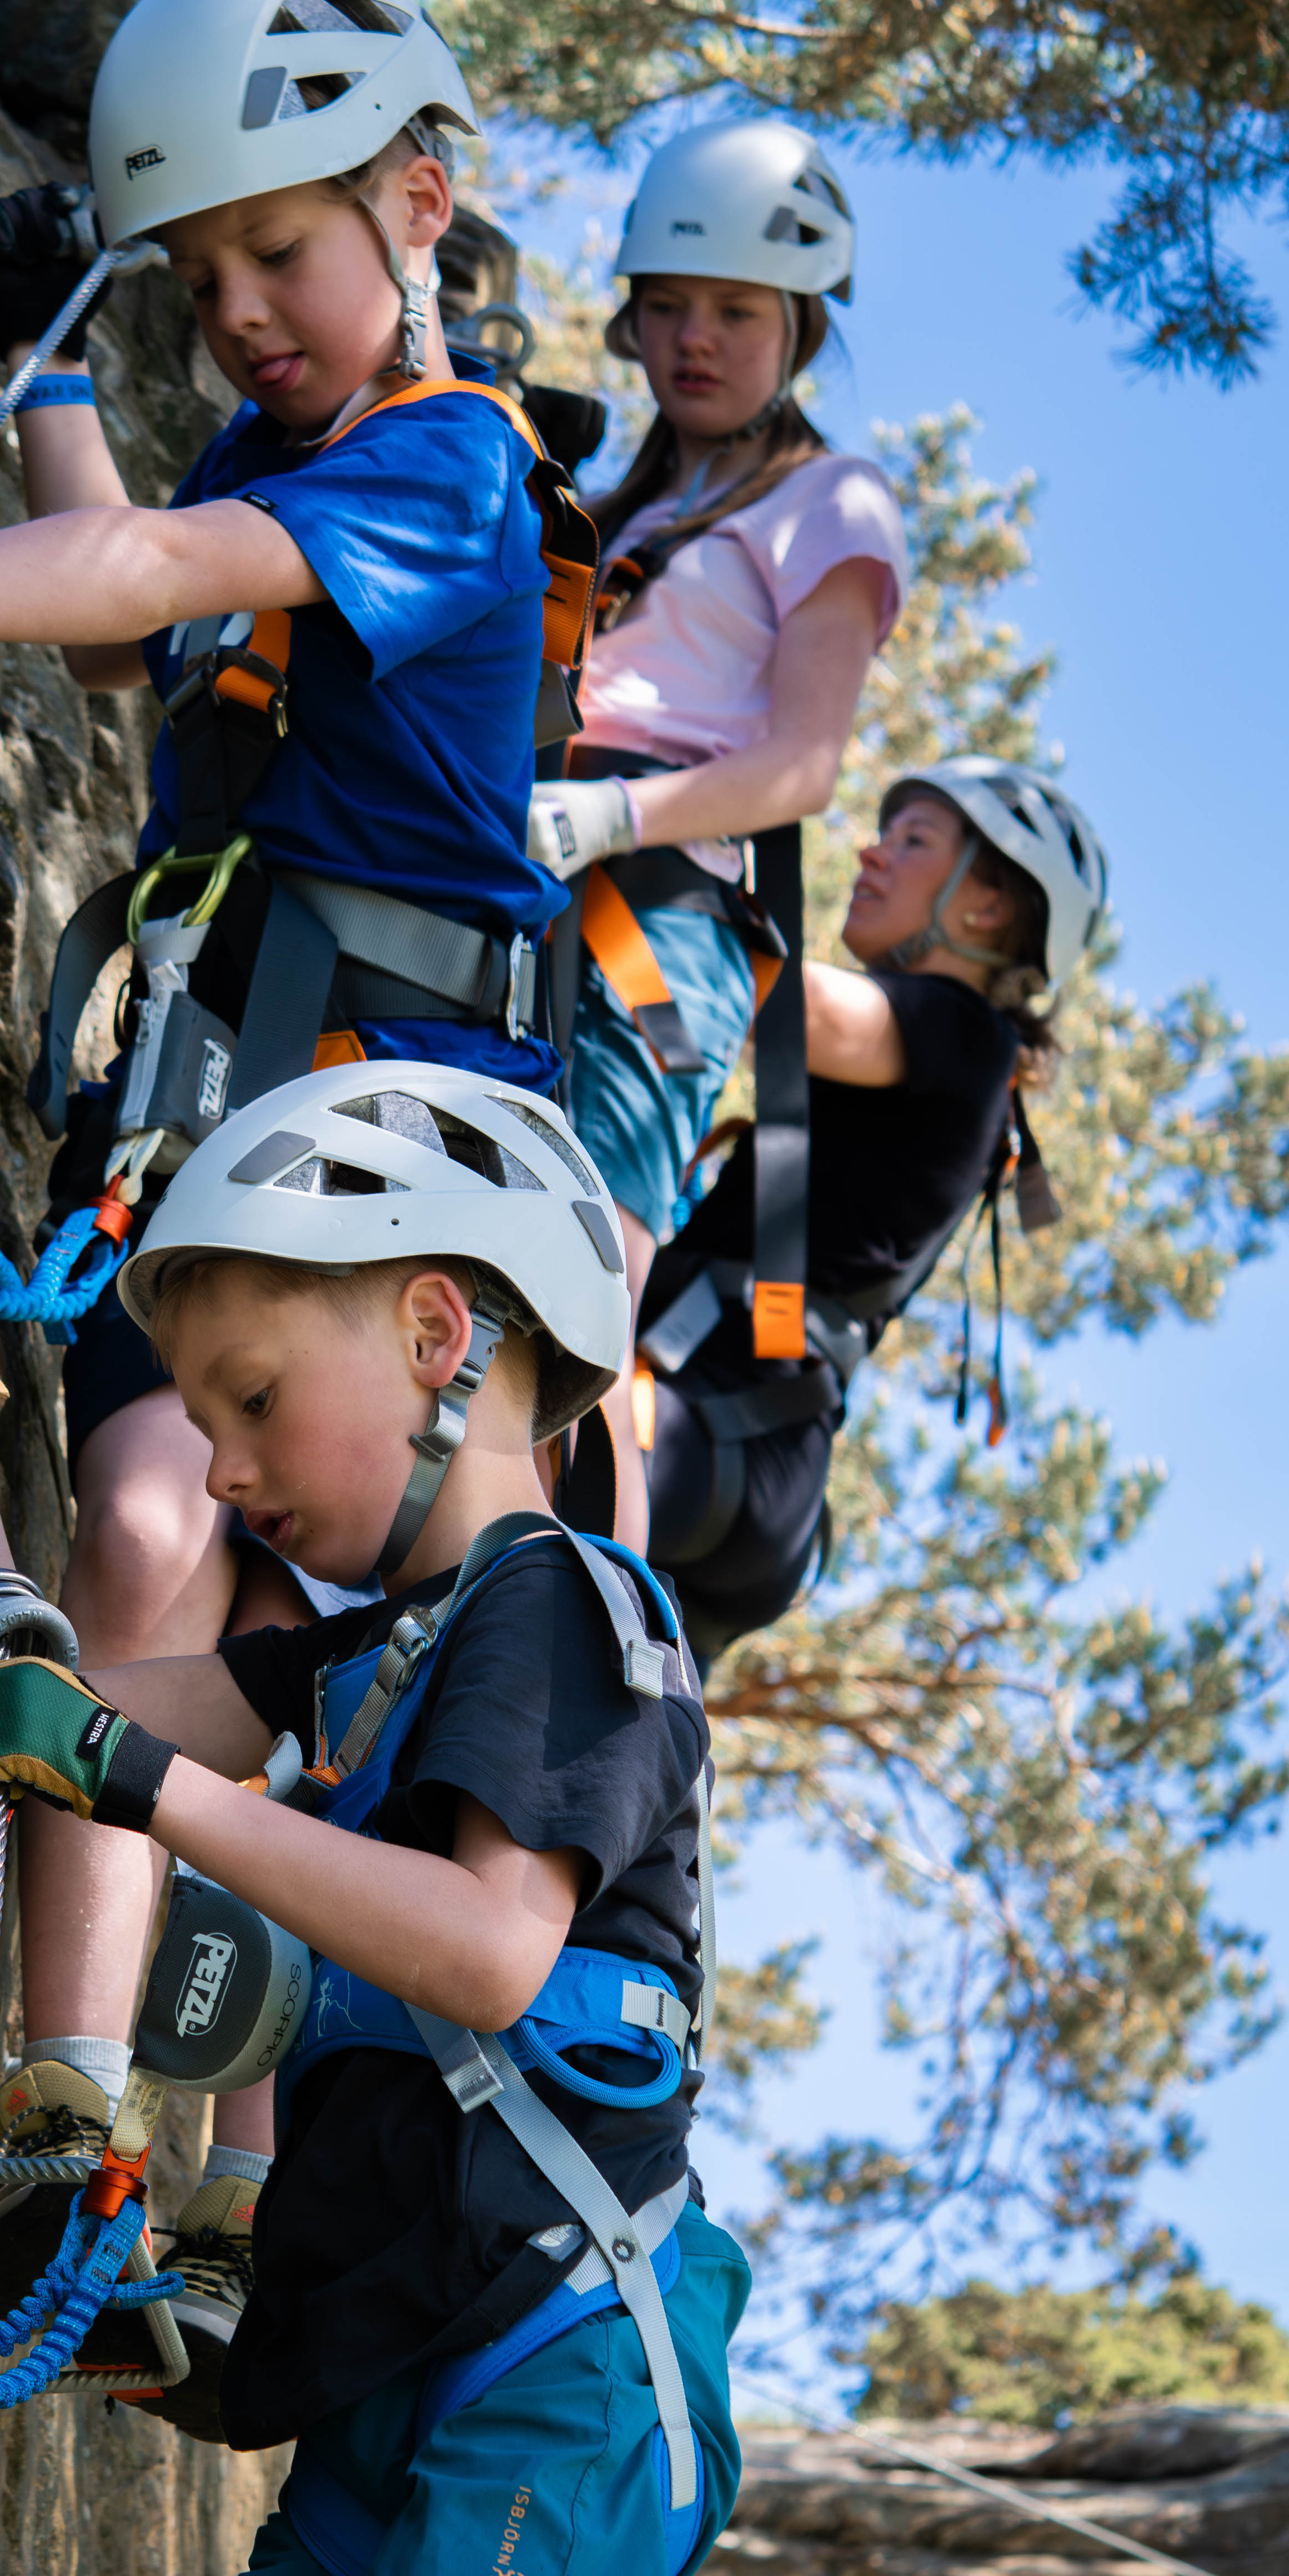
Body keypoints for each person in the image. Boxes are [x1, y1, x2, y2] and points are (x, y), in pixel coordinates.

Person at [0, 0, 598, 2410]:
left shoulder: (450, 462)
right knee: (154, 1549)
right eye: (197, 281)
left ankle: (152, 2141)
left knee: (202, 1543)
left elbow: (156, 587)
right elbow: (140, 637)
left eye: (278, 255)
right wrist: (59, 385)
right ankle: (76, 2115)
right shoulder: (277, 481)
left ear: (415, 204)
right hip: (201, 1157)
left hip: (372, 1200)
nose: (244, 312)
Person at [0, 1062, 749, 2576]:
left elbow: (483, 1948)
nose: (217, 1469)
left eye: (249, 1397)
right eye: (202, 1416)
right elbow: (34, 1696)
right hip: (398, 2360)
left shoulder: (567, 1609)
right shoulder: (373, 1651)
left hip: (559, 2366)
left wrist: (146, 1785)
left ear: (437, 1331)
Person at [526, 117, 909, 1550]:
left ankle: (589, 1651)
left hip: (655, 914)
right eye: (669, 305)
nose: (694, 339)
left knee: (586, 1289)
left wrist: (611, 811)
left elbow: (803, 762)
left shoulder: (832, 501)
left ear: (799, 328)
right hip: (525, 876)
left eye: (736, 311)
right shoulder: (631, 501)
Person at [624, 756, 1107, 1660]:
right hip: (749, 1459)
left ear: (987, 907)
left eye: (912, 841)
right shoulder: (951, 1067)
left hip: (720, 1424)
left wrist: (634, 840)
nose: (871, 853)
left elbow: (771, 1001)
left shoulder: (963, 1032)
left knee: (481, 1460)